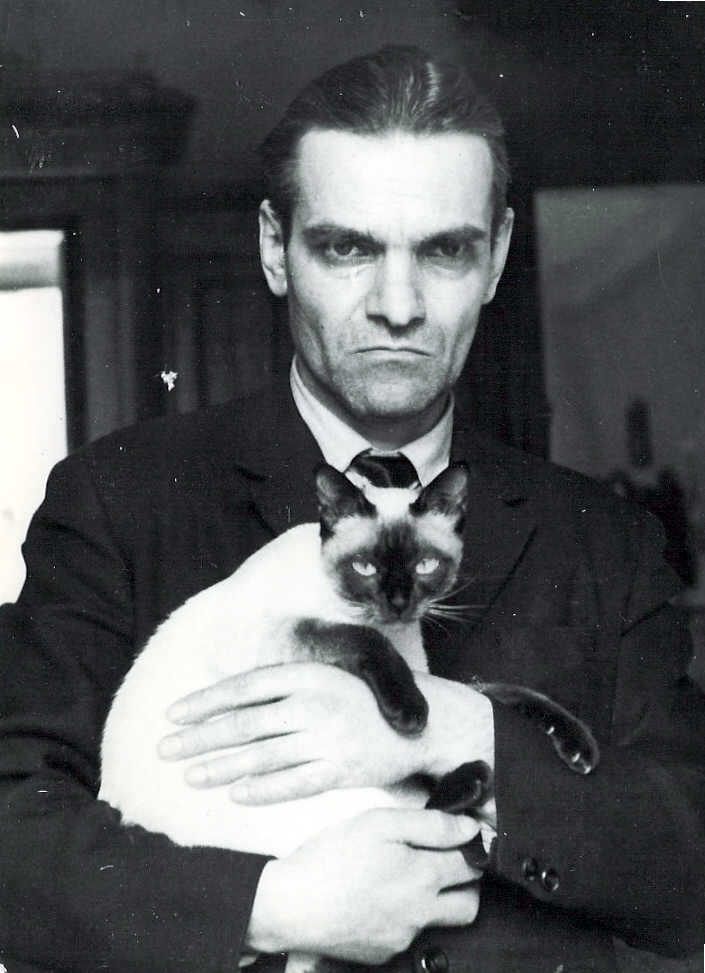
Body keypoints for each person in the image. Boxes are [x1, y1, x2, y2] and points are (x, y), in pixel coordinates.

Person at [0, 44, 704, 973]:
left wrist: (461, 730)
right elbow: (13, 835)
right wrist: (265, 906)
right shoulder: (117, 499)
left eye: (444, 249)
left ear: (496, 257)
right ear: (274, 249)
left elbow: (689, 856)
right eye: (348, 247)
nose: (397, 306)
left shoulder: (603, 540)